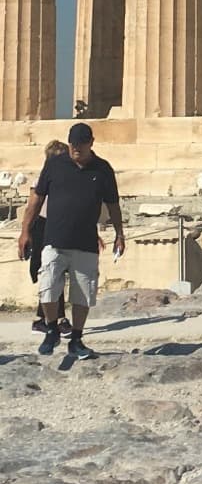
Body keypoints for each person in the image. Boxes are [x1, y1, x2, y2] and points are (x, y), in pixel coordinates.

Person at [16, 123, 123, 359]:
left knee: (83, 293)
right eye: (73, 144)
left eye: (81, 145)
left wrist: (119, 233)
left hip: (85, 241)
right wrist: (25, 231)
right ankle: (51, 329)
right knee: (48, 285)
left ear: (91, 143)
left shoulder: (103, 169)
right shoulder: (54, 165)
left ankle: (76, 338)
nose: (76, 149)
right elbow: (36, 199)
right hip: (54, 239)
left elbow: (113, 204)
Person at [26, 141, 70, 333]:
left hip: (57, 226)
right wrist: (25, 233)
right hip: (44, 226)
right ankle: (58, 319)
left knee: (54, 274)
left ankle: (42, 319)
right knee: (52, 273)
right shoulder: (41, 180)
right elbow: (31, 208)